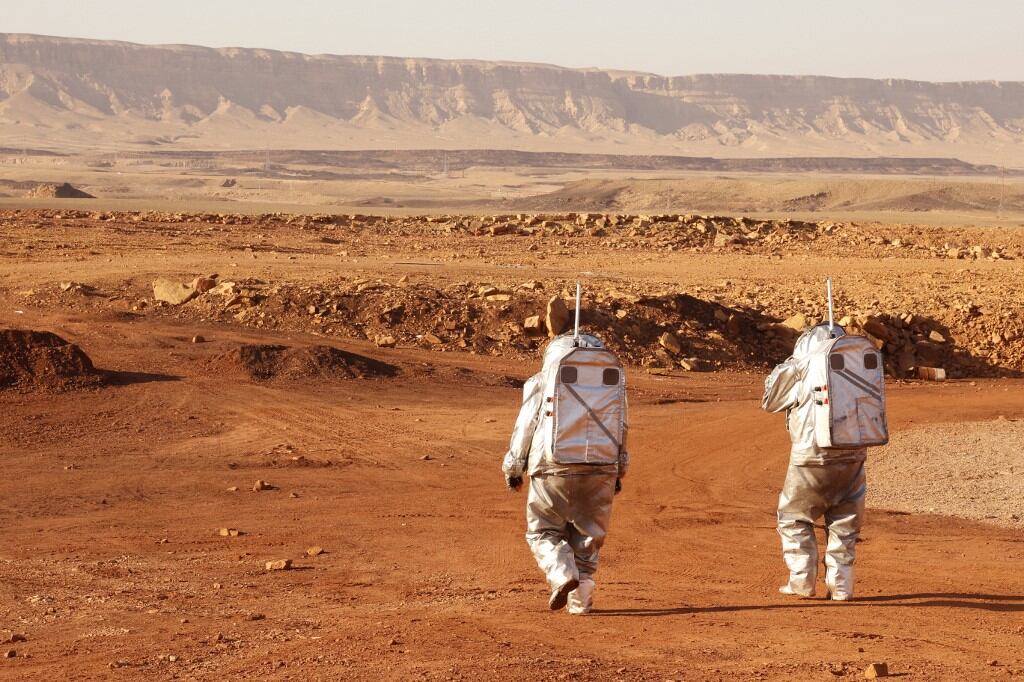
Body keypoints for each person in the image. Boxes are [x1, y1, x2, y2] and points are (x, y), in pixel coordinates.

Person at [502, 332, 628, 614]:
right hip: (601, 467)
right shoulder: (612, 382)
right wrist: (619, 470)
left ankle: (561, 574)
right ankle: (580, 600)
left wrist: (513, 466)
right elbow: (622, 427)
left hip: (550, 468)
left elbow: (525, 426)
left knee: (543, 531)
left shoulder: (541, 381)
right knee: (588, 535)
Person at [762, 323, 867, 601]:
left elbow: (770, 401)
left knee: (793, 516)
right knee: (845, 520)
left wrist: (791, 366)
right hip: (853, 455)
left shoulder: (803, 368)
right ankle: (841, 585)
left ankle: (802, 580)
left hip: (811, 455)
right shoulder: (856, 366)